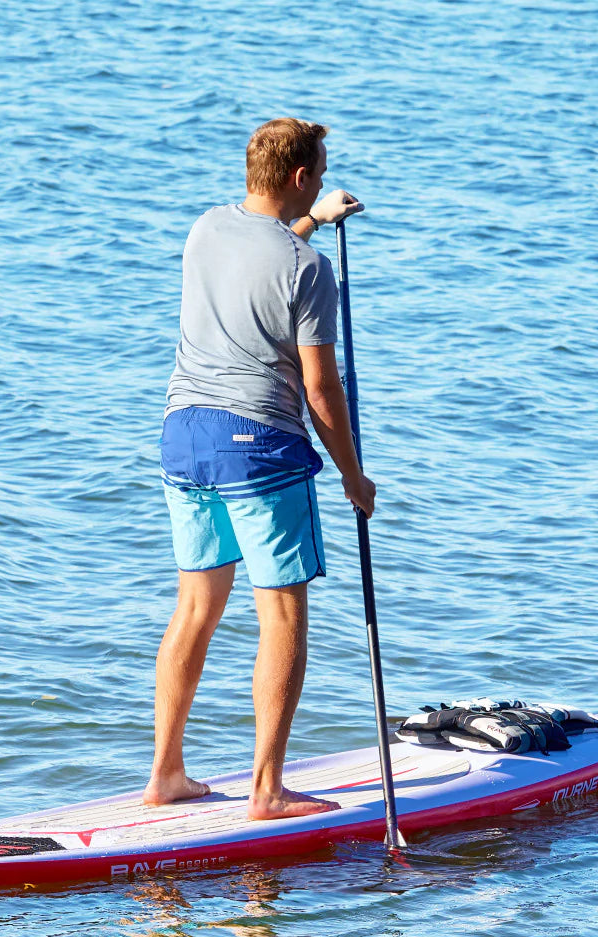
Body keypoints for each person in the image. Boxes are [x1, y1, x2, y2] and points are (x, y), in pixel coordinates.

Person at [143, 118, 375, 821]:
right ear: (303, 176)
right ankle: (267, 791)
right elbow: (320, 389)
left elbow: (262, 258)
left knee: (194, 609)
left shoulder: (205, 229)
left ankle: (166, 775)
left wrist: (309, 218)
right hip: (261, 445)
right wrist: (352, 475)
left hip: (184, 439)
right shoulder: (310, 270)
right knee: (281, 615)